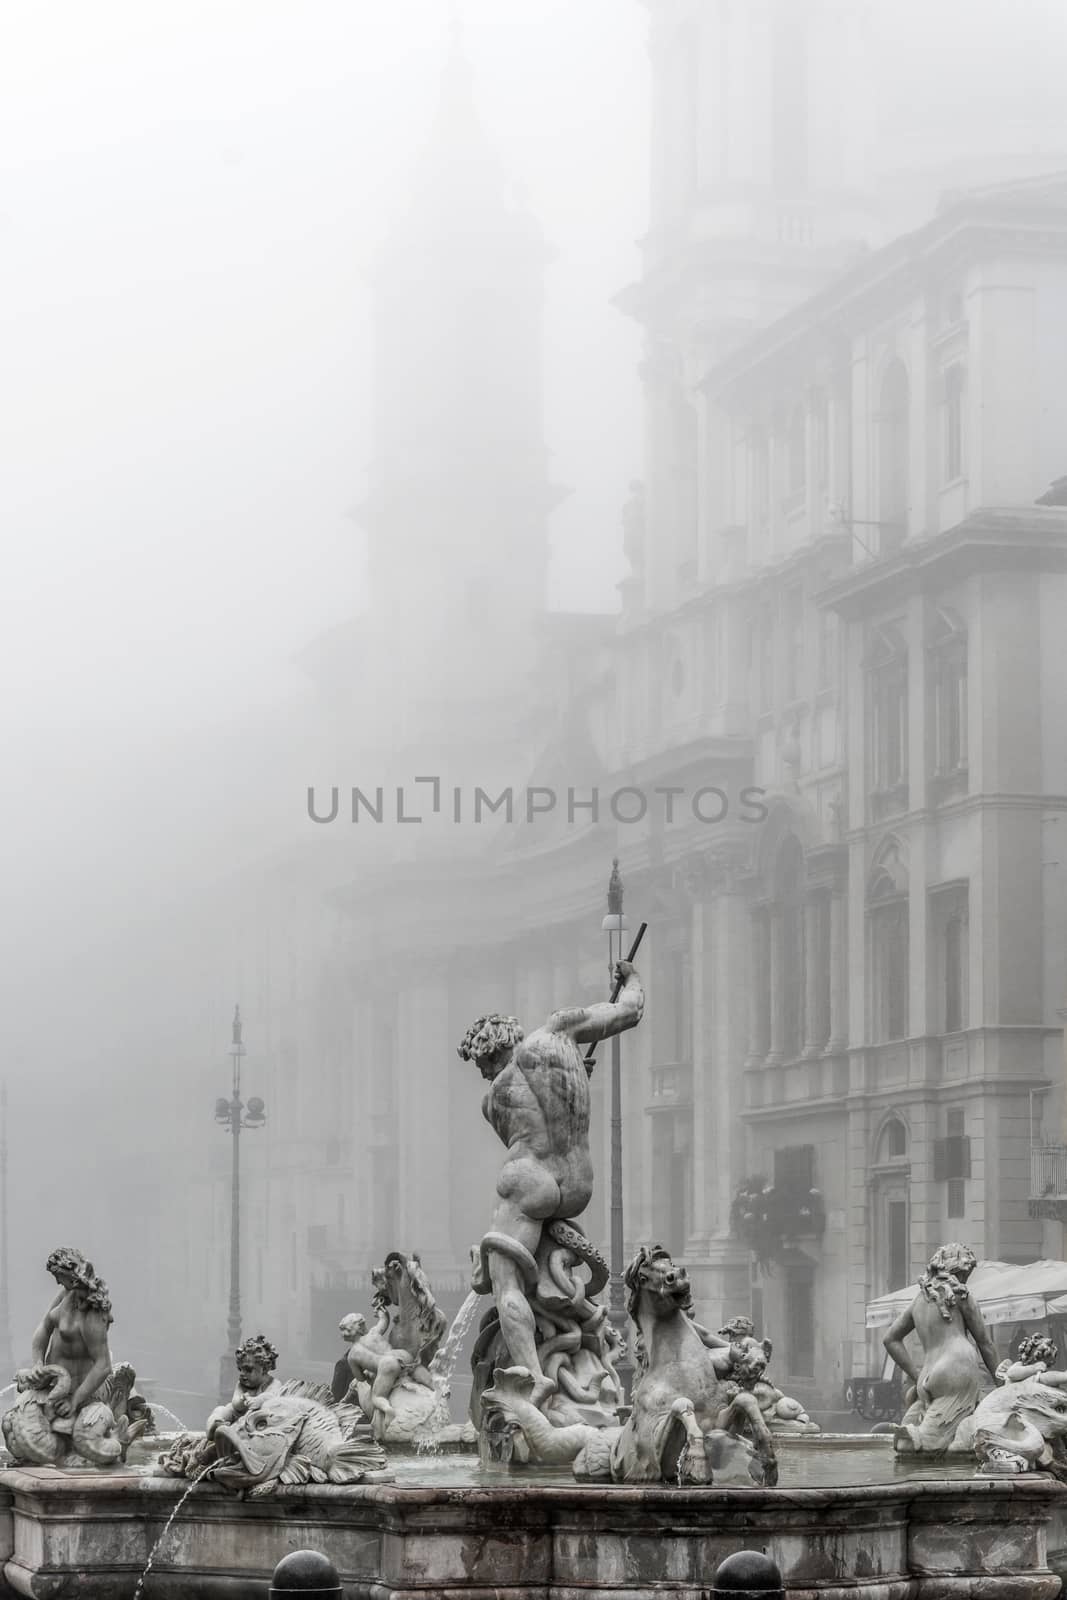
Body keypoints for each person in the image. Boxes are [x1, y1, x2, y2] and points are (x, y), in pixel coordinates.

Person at [458, 959, 644, 1409]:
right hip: (577, 1184)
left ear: (489, 1052)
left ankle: (534, 1379)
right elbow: (630, 1011)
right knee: (543, 1267)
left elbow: (525, 1133)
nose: (483, 1074)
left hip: (530, 1179)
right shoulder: (559, 1033)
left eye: (481, 1063)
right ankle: (568, 1341)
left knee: (506, 1286)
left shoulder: (491, 1100)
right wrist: (631, 979)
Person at [883, 1241, 1000, 1453]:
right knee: (936, 1443)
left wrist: (916, 1374)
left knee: (910, 1439)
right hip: (958, 1369)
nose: (966, 1279)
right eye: (967, 1274)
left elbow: (890, 1339)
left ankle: (909, 1436)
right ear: (959, 1270)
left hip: (928, 1374)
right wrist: (1002, 1383)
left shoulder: (918, 1301)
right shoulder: (960, 1294)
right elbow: (985, 1343)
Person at [28, 1247, 113, 1427]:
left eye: (58, 1276)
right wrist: (37, 1362)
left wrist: (74, 1401)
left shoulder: (93, 1315)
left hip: (79, 1392)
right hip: (52, 1383)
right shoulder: (67, 1293)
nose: (58, 1282)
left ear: (72, 1277)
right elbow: (44, 1327)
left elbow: (103, 1365)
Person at [206, 1335, 281, 1442]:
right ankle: (214, 1427)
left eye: (248, 1370)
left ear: (264, 1369)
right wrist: (242, 1400)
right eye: (240, 1369)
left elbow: (272, 1398)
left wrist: (257, 1400)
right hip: (237, 1415)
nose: (242, 1374)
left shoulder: (274, 1383)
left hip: (259, 1420)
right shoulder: (241, 1385)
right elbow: (235, 1404)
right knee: (220, 1410)